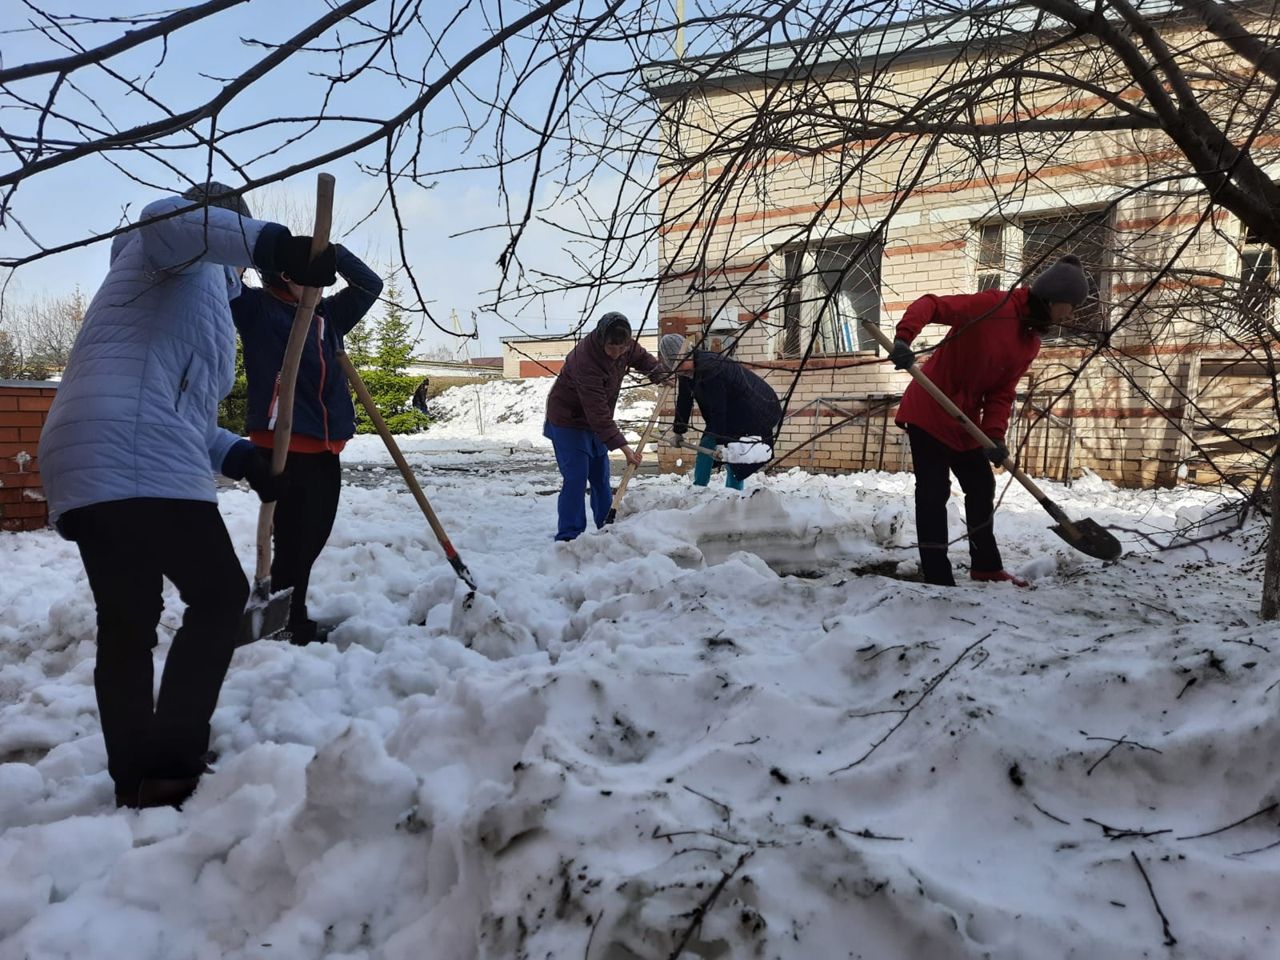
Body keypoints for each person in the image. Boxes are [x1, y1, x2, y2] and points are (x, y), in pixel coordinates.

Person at [39, 182, 336, 810]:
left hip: (90, 455)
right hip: (132, 451)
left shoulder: (183, 296)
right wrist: (277, 247)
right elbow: (168, 220)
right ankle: (172, 761)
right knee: (221, 596)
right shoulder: (167, 250)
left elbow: (179, 409)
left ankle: (136, 777)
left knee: (128, 621)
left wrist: (242, 458)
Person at [889, 255, 1090, 587]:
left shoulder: (1030, 342)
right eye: (1070, 306)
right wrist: (904, 338)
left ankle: (985, 565)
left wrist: (995, 435)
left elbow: (1001, 392)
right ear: (1054, 299)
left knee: (982, 486)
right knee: (933, 491)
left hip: (965, 421)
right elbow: (931, 305)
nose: (1071, 315)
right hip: (930, 408)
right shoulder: (994, 306)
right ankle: (937, 573)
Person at [231, 246, 383, 645]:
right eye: (307, 277)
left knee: (310, 539)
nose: (318, 286)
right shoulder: (257, 311)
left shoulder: (327, 315)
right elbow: (225, 281)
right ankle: (286, 624)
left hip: (325, 448)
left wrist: (331, 254)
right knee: (294, 542)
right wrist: (259, 245)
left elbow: (370, 284)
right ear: (283, 276)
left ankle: (288, 616)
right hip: (282, 446)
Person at [543, 312, 662, 540]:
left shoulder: (626, 345)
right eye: (611, 348)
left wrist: (662, 374)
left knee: (600, 477)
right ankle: (570, 537)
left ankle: (607, 528)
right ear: (601, 339)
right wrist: (625, 448)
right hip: (569, 420)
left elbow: (644, 359)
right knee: (576, 478)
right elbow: (596, 410)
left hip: (596, 421)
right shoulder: (584, 360)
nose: (616, 353)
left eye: (622, 348)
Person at [658, 333, 782, 489]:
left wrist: (721, 442)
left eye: (681, 362)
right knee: (707, 444)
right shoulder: (686, 372)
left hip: (757, 408)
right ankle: (698, 490)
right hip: (732, 411)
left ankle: (733, 495)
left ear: (689, 353)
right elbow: (684, 401)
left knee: (734, 453)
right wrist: (678, 431)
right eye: (675, 366)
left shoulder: (710, 368)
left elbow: (718, 410)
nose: (679, 368)